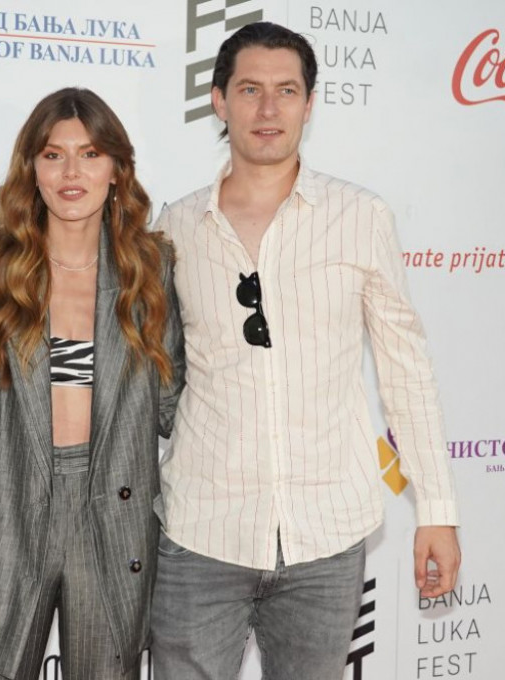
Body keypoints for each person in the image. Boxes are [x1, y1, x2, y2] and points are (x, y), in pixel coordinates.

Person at [150, 22, 460, 680]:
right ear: (218, 100)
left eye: (286, 90)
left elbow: (406, 371)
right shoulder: (175, 228)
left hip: (327, 536)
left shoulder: (361, 217)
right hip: (202, 533)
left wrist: (436, 511)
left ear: (310, 103)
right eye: (250, 90)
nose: (269, 108)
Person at [0, 87, 184, 680]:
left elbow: (175, 407)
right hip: (3, 520)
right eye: (54, 155)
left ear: (117, 169)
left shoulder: (150, 273)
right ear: (31, 168)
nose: (71, 173)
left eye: (90, 154)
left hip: (114, 519)